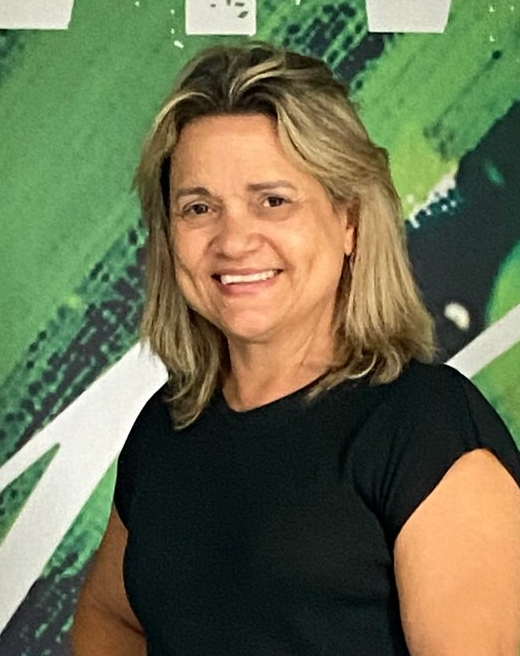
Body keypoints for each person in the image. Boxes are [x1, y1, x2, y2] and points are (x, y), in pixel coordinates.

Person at [72, 42, 520, 655]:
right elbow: (108, 618)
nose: (234, 240)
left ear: (349, 221)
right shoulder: (167, 426)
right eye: (199, 207)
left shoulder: (426, 427)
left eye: (273, 201)